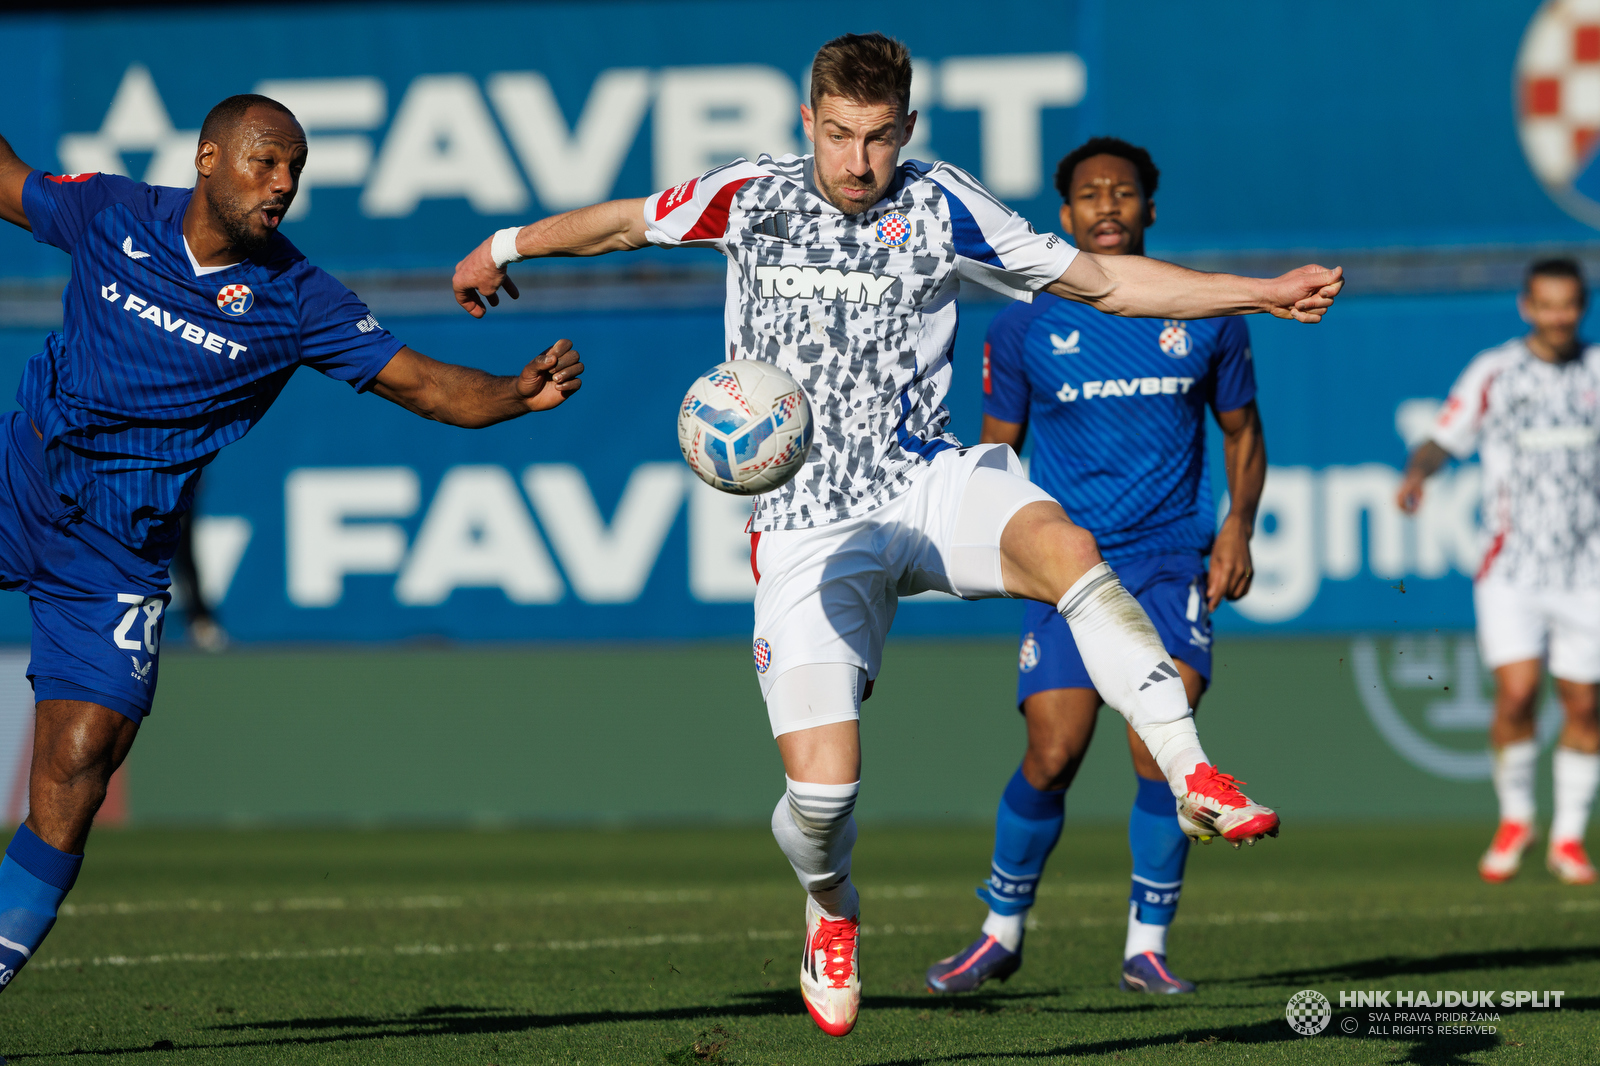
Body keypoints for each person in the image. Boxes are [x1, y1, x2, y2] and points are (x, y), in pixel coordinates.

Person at [452, 33, 1339, 1037]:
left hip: (921, 481)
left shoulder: (944, 204)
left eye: (877, 138)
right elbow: (621, 224)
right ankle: (830, 907)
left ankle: (1189, 773)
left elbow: (1105, 281)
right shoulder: (750, 195)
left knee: (1066, 549)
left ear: (907, 129)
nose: (857, 162)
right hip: (804, 526)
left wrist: (1260, 290)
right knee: (822, 795)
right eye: (838, 136)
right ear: (808, 124)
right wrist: (508, 243)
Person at [0, 94, 584, 996]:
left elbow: (427, 386)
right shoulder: (110, 210)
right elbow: (7, 182)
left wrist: (514, 392)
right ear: (206, 158)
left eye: (296, 172)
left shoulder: (298, 298)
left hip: (115, 554)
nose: (282, 186)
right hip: (23, 476)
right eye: (265, 163)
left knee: (79, 764)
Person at [924, 137, 1265, 997]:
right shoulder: (1023, 325)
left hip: (1168, 559)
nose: (1106, 205)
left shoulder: (1208, 317)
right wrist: (987, 547)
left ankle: (1145, 947)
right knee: (1052, 750)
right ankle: (999, 931)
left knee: (1161, 743)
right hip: (1067, 569)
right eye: (1088, 195)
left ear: (1151, 208)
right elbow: (995, 455)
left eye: (1124, 192)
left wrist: (1239, 529)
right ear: (1065, 216)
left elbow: (1242, 433)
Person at [1397, 258, 1600, 887]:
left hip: (1588, 569)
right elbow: (1445, 437)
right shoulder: (1495, 371)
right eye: (1547, 304)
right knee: (1516, 694)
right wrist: (1417, 472)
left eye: (1569, 304)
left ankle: (1568, 836)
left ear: (1581, 307)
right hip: (1511, 568)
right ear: (1526, 306)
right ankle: (1517, 817)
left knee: (1585, 705)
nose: (1558, 316)